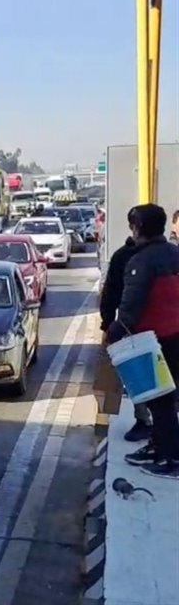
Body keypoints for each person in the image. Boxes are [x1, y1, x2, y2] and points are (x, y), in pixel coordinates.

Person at [108, 204, 179, 479]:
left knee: (157, 400)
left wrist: (114, 331)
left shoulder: (140, 262)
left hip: (151, 340)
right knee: (168, 398)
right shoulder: (174, 253)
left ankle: (168, 458)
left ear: (138, 228)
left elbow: (130, 306)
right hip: (173, 336)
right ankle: (161, 446)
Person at [99, 207, 150, 441]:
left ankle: (142, 420)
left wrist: (108, 324)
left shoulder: (123, 256)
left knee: (135, 373)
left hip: (131, 327)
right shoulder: (170, 253)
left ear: (135, 228)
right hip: (166, 327)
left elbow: (111, 293)